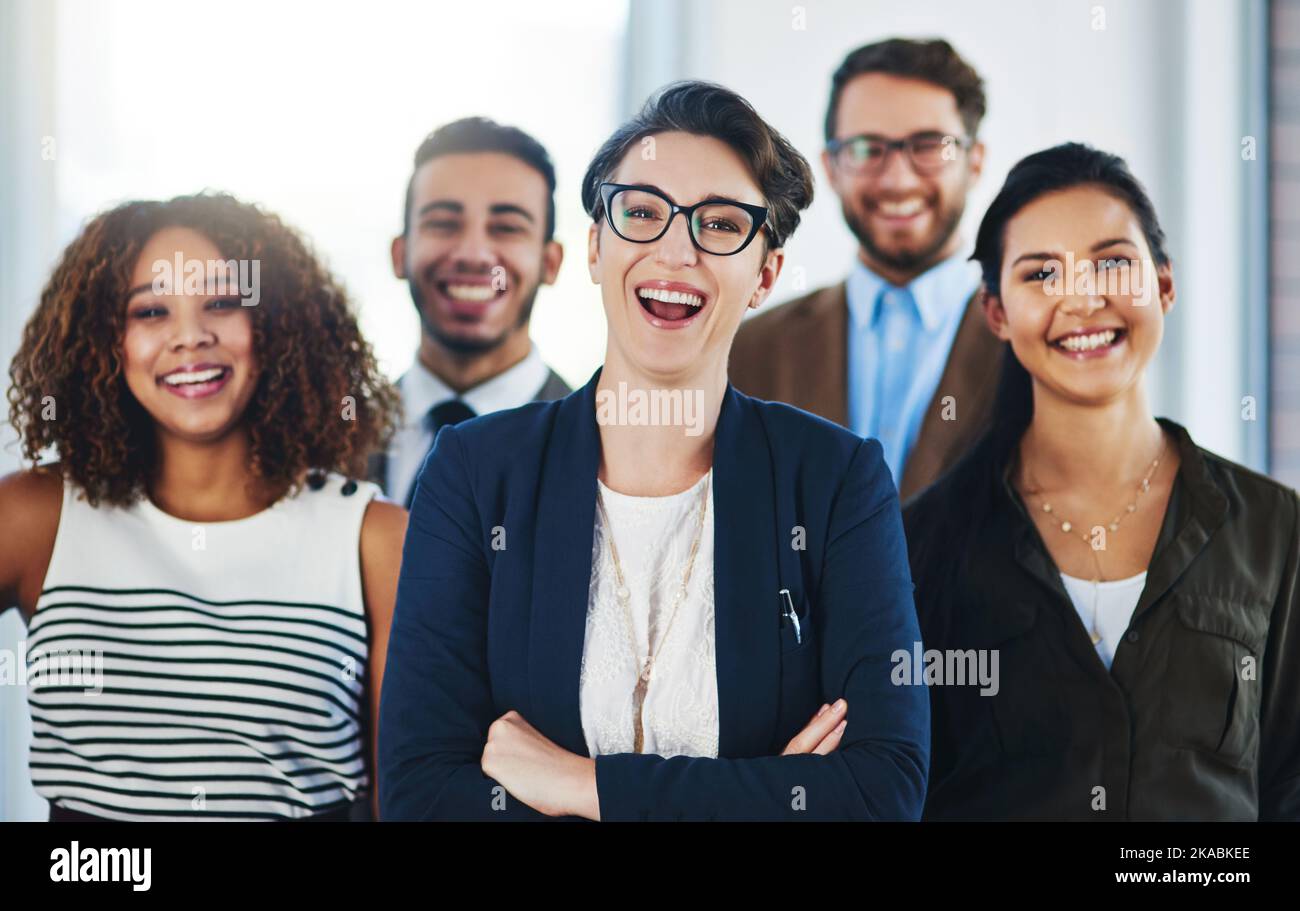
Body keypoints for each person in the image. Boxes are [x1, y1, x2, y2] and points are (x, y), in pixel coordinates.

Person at [379, 81, 929, 821]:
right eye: (642, 213)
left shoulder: (835, 481)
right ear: (597, 247)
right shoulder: (477, 472)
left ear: (765, 273)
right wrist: (759, 793)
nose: (675, 250)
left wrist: (581, 785)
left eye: (721, 224)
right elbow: (422, 794)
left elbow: (879, 791)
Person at [904, 143, 1300, 820]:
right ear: (996, 313)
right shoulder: (922, 541)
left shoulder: (1274, 527)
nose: (1082, 297)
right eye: (1040, 274)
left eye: (1112, 261)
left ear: (1164, 285)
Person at [0, 193, 406, 820]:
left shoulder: (373, 538)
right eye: (151, 311)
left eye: (222, 302)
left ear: (277, 325)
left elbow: (398, 801)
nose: (191, 336)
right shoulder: (37, 516)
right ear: (103, 340)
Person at [730, 38, 1001, 502]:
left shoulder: (1031, 345)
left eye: (930, 146)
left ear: (974, 163)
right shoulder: (750, 349)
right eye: (866, 148)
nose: (897, 179)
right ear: (831, 168)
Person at [371, 117, 571, 507]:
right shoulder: (327, 441)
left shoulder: (602, 452)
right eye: (443, 223)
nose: (473, 254)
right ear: (400, 254)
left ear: (551, 263)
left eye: (507, 227)